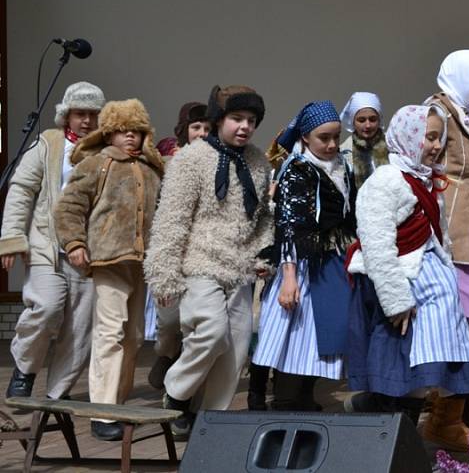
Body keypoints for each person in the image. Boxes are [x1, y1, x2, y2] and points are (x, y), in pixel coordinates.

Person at [345, 104, 469, 448]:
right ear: (408, 137)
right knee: (402, 374)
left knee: (427, 370)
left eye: (440, 137)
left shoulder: (422, 178)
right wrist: (396, 301)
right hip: (402, 294)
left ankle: (407, 434)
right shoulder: (385, 181)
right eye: (430, 136)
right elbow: (377, 245)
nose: (436, 145)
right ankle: (391, 442)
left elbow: (437, 237)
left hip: (429, 295)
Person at [145, 85, 273, 439]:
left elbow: (262, 218)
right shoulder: (191, 158)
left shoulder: (259, 161)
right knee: (211, 334)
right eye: (236, 118)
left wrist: (264, 252)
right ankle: (177, 391)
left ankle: (211, 422)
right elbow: (172, 218)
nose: (245, 126)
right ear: (218, 119)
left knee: (235, 352)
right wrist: (165, 274)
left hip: (241, 268)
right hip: (199, 263)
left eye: (251, 120)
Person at [55, 98, 163, 440]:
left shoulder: (151, 169)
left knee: (133, 336)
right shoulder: (96, 164)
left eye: (136, 131)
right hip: (107, 261)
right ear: (109, 133)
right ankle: (103, 413)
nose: (130, 137)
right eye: (122, 131)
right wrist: (74, 243)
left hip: (140, 264)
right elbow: (69, 206)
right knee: (110, 332)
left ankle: (118, 403)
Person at [1, 82, 104, 400]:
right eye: (79, 113)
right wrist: (11, 238)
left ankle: (58, 393)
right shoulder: (48, 143)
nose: (86, 121)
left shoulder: (106, 151)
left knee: (79, 329)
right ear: (67, 115)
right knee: (45, 308)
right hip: (46, 244)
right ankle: (25, 368)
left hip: (88, 253)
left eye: (92, 114)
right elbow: (21, 189)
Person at [251, 101, 356, 411]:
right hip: (301, 263)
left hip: (332, 261)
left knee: (322, 334)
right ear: (306, 137)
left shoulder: (342, 166)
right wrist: (288, 278)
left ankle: (304, 396)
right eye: (324, 138)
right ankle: (282, 401)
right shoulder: (298, 170)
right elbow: (289, 226)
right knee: (290, 334)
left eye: (336, 137)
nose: (332, 144)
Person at [422, 49, 469, 439]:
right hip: (452, 221)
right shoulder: (439, 111)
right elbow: (425, 159)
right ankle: (445, 414)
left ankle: (457, 408)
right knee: (457, 317)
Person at [145, 101, 211, 390]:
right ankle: (166, 354)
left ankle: (182, 385)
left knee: (195, 322)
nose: (203, 133)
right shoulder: (167, 164)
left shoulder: (219, 163)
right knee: (169, 320)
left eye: (209, 128)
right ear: (185, 130)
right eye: (197, 127)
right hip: (172, 253)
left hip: (203, 255)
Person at [339, 92, 388, 189]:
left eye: (373, 119)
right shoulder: (345, 152)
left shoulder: (392, 145)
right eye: (361, 120)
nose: (368, 125)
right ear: (353, 121)